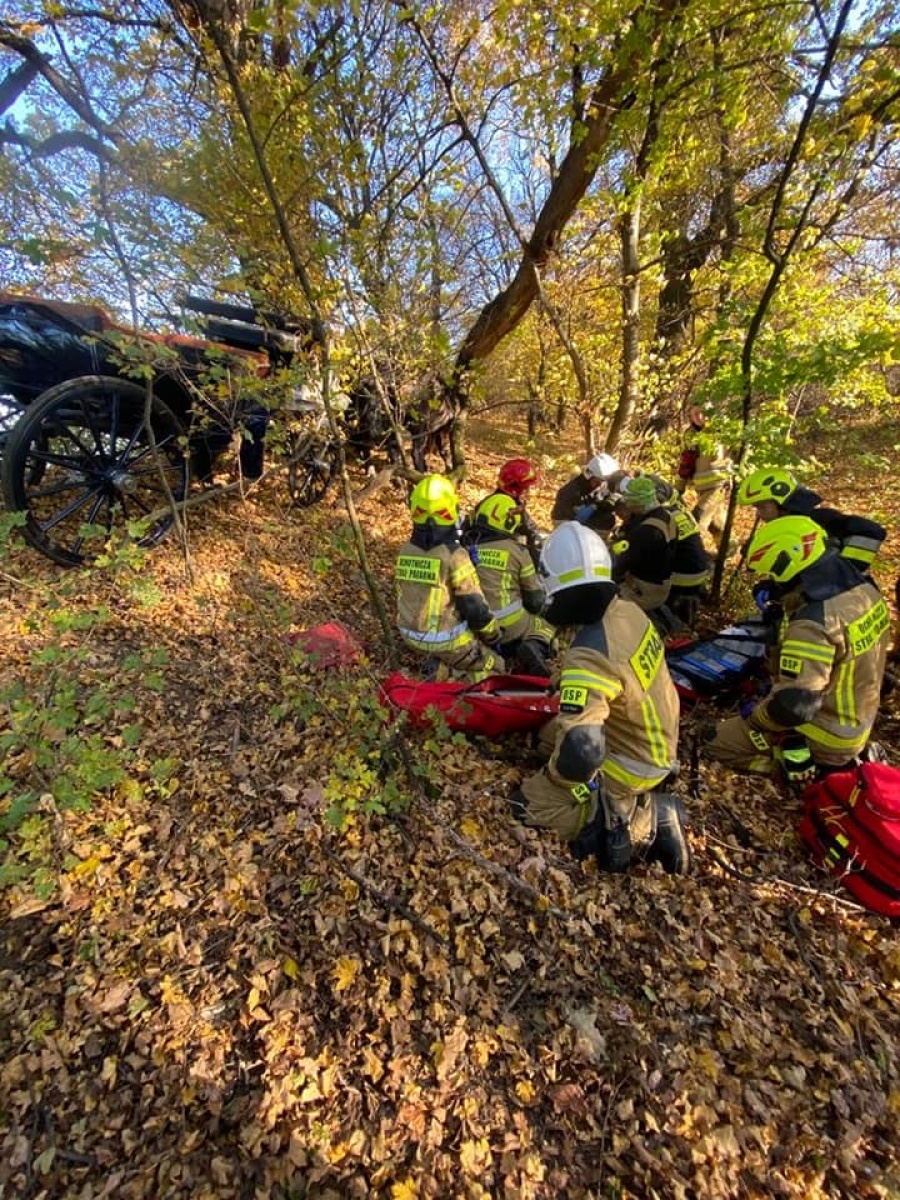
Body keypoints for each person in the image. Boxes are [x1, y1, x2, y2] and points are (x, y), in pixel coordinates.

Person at [509, 522, 690, 874]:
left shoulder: (590, 655)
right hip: (654, 737)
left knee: (527, 805)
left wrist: (554, 783)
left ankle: (646, 819)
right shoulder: (627, 611)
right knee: (547, 734)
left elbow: (581, 755)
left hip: (633, 760)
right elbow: (620, 674)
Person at [704, 515, 890, 787]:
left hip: (824, 733)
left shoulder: (813, 624)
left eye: (773, 575)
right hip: (857, 719)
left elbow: (794, 708)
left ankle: (798, 769)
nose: (772, 581)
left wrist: (756, 717)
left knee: (715, 741)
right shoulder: (865, 593)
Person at [395, 474, 504, 681]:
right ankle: (454, 681)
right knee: (495, 665)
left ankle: (439, 668)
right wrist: (493, 634)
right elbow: (474, 607)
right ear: (450, 510)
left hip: (408, 633)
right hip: (444, 639)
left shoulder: (405, 550)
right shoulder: (455, 555)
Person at [466, 492, 555, 676]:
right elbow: (535, 600)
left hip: (475, 625)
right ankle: (534, 646)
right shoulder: (518, 552)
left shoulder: (465, 549)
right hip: (511, 624)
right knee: (545, 624)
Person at [735, 468, 886, 575]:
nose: (759, 514)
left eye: (762, 507)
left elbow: (872, 531)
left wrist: (845, 570)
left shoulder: (822, 520)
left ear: (782, 504)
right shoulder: (785, 532)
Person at [646, 475, 712, 626]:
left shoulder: (663, 517)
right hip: (700, 571)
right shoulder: (681, 511)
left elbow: (651, 551)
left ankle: (669, 626)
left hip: (682, 579)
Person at [610, 475, 678, 618]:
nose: (627, 506)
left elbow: (621, 563)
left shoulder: (646, 531)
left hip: (645, 590)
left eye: (630, 502)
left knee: (607, 599)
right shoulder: (667, 515)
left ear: (639, 503)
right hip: (664, 583)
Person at [675, 405, 731, 537]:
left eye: (702, 413)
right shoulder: (690, 435)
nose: (699, 417)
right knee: (717, 524)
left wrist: (729, 481)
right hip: (701, 487)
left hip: (717, 487)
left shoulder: (721, 432)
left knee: (697, 522)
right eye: (695, 414)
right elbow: (685, 464)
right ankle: (729, 552)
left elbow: (732, 457)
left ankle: (692, 556)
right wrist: (678, 488)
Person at [476, 457, 543, 565]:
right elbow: (534, 538)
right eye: (526, 488)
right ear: (515, 487)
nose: (528, 492)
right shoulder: (515, 509)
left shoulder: (485, 503)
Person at [551, 452, 625, 535]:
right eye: (597, 482)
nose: (599, 485)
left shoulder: (600, 487)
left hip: (585, 524)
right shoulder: (570, 492)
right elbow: (575, 519)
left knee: (608, 519)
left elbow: (604, 501)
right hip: (568, 526)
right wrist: (594, 507)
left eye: (602, 482)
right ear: (588, 476)